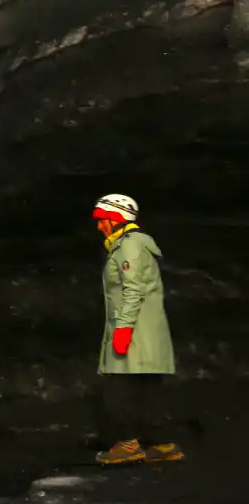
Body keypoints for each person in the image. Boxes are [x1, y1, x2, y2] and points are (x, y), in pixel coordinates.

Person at [91, 194, 183, 465]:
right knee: (148, 387)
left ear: (115, 219)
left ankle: (127, 444)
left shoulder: (128, 247)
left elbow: (132, 290)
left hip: (134, 331)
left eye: (101, 220)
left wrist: (123, 329)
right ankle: (162, 445)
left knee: (117, 388)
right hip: (146, 331)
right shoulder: (135, 245)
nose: (98, 226)